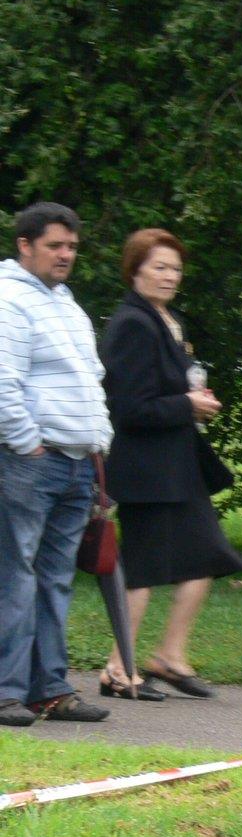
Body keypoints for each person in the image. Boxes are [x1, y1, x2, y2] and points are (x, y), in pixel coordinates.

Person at [99, 229, 241, 700]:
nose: (169, 276)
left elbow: (169, 391)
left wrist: (193, 402)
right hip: (146, 471)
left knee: (206, 556)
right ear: (135, 269)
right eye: (159, 266)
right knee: (142, 569)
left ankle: (169, 657)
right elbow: (130, 409)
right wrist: (186, 404)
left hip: (178, 468)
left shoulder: (167, 321)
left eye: (176, 268)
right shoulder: (131, 324)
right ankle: (118, 668)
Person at [0, 203, 113, 726]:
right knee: (15, 575)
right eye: (55, 246)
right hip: (31, 462)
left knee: (54, 579)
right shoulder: (9, 299)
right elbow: (3, 383)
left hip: (77, 462)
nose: (66, 255)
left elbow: (90, 378)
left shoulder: (66, 304)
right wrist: (28, 443)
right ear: (25, 245)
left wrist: (98, 440)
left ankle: (49, 690)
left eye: (72, 246)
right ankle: (6, 691)